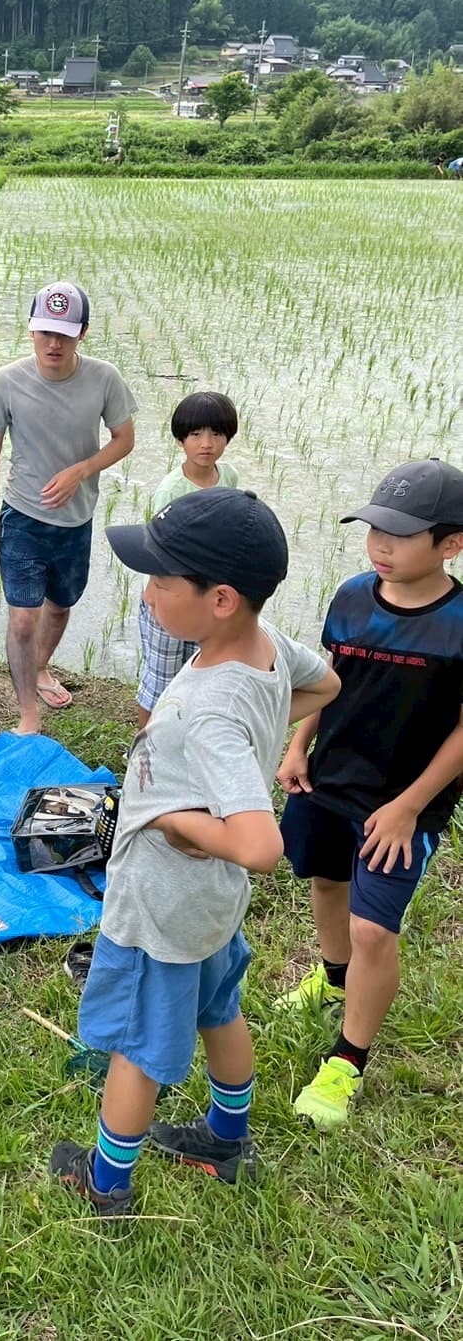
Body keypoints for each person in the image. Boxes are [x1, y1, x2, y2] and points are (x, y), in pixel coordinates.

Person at [50, 488, 339, 1215]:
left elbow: (259, 844)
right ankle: (225, 1138)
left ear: (220, 599)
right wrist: (261, 732)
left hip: (165, 905)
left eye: (159, 580)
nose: (146, 593)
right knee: (219, 1008)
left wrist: (183, 826)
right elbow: (327, 682)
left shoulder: (207, 707)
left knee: (136, 1046)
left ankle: (106, 1183)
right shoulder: (263, 647)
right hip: (209, 908)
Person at [277, 459, 463, 1131]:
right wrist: (299, 745)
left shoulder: (459, 621)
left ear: (451, 543)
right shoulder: (353, 596)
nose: (380, 545)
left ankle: (347, 1060)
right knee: (325, 881)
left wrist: (412, 804)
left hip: (405, 800)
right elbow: (331, 679)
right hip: (331, 778)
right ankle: (331, 976)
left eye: (400, 534)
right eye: (374, 528)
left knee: (374, 928)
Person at [0, 281, 136, 734]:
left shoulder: (104, 379)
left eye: (64, 334)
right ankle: (29, 713)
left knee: (61, 607)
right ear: (30, 330)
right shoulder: (7, 381)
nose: (53, 343)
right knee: (23, 619)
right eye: (45, 332)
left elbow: (125, 439)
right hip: (22, 514)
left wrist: (81, 470)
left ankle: (41, 666)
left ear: (82, 333)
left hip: (76, 519)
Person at [137, 392, 240, 727]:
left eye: (216, 434)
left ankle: (177, 741)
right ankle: (142, 752)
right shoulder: (171, 490)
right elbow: (156, 551)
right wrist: (156, 596)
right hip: (167, 597)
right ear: (181, 439)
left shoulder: (229, 478)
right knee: (160, 679)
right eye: (196, 434)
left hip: (203, 597)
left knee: (194, 674)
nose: (207, 444)